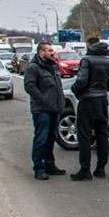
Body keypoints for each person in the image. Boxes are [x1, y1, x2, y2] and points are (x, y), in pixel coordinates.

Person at [70, 36, 109, 181]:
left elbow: (81, 81)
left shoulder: (87, 59)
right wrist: (102, 89)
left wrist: (76, 90)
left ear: (90, 45)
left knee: (84, 135)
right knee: (102, 134)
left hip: (88, 100)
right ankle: (101, 168)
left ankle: (85, 170)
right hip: (102, 100)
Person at [23, 41, 66, 180]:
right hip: (42, 110)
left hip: (55, 108)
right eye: (49, 50)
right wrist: (43, 100)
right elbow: (30, 86)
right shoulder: (34, 68)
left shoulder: (53, 66)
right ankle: (39, 168)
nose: (52, 53)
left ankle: (50, 165)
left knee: (51, 138)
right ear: (41, 52)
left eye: (52, 50)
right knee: (41, 139)